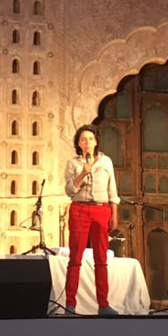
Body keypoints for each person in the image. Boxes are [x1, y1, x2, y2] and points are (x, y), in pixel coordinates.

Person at [64, 124, 120, 316]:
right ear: (78, 144)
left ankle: (103, 305)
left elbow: (112, 189)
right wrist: (83, 172)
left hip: (101, 209)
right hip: (79, 209)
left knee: (101, 259)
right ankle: (70, 304)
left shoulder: (106, 162)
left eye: (90, 139)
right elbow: (70, 190)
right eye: (82, 139)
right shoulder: (73, 163)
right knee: (75, 258)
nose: (86, 142)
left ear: (96, 142)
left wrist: (114, 213)